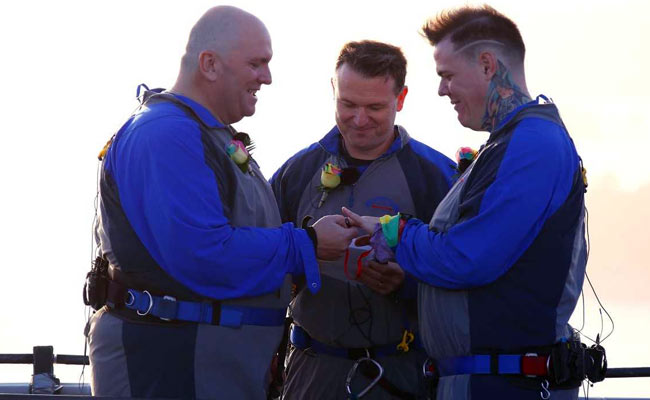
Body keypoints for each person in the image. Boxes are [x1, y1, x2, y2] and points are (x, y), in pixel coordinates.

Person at [86, 6, 357, 399]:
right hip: (171, 368)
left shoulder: (203, 133)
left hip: (204, 367)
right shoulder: (167, 137)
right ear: (210, 64)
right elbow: (202, 254)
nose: (267, 77)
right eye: (256, 63)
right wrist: (308, 245)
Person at [343, 5, 588, 400]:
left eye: (447, 75)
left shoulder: (534, 145)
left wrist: (394, 233)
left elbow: (469, 258)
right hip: (479, 380)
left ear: (488, 65)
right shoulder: (505, 145)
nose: (442, 90)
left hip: (506, 385)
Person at [271, 40, 456, 399]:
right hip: (312, 371)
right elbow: (262, 265)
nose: (359, 120)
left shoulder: (438, 177)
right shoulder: (296, 173)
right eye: (348, 104)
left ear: (400, 99)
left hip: (402, 374)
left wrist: (407, 284)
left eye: (374, 107)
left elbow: (466, 276)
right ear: (333, 91)